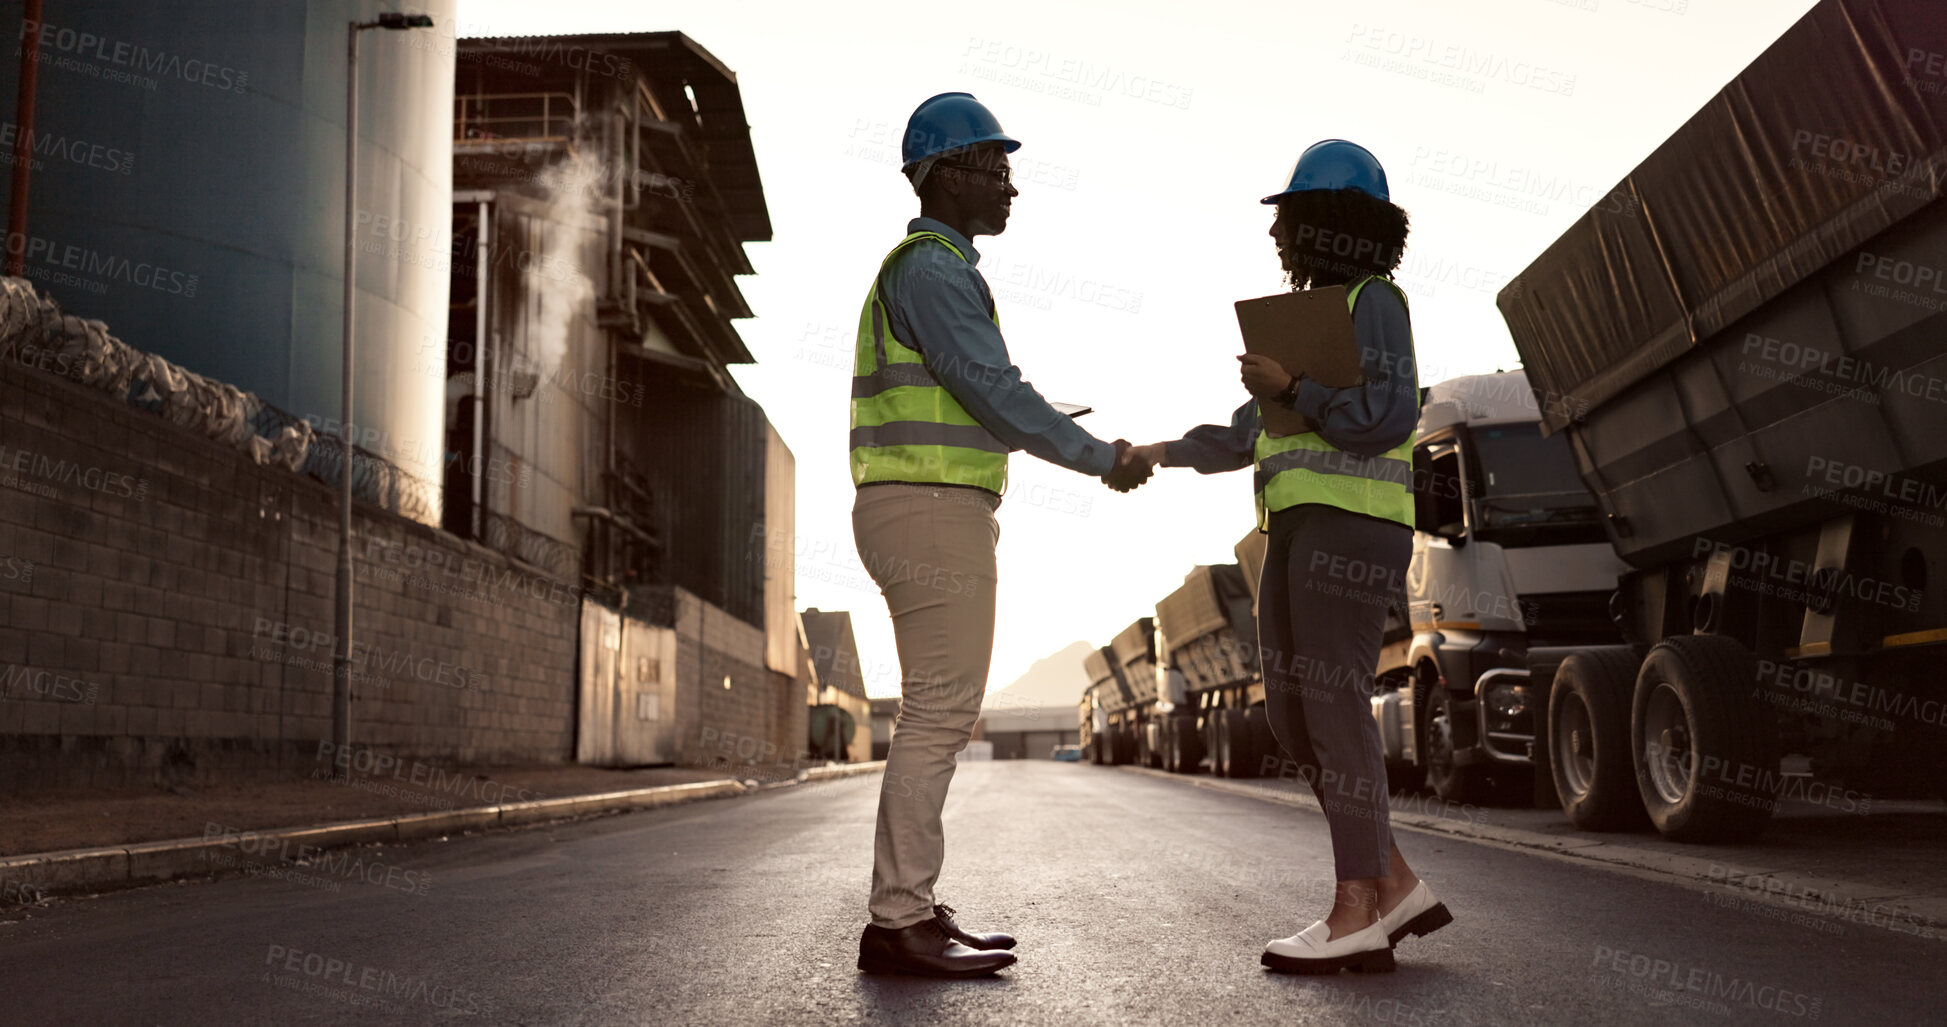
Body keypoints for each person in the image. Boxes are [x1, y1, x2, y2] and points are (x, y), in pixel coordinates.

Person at [1128, 140, 1452, 974]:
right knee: (1292, 714)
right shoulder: (1306, 324)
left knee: (1334, 707)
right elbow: (1246, 435)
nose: (1285, 236)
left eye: (1296, 217)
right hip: (1297, 529)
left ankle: (1354, 906)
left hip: (1351, 526)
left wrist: (1293, 390)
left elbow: (1383, 417)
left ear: (1336, 224)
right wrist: (1155, 450)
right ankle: (1394, 883)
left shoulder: (1376, 301)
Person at [851, 92, 1152, 979]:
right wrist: (1101, 456)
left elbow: (976, 392)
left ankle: (907, 909)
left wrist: (1029, 417)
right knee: (938, 713)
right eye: (993, 168)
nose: (1009, 186)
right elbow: (995, 389)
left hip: (923, 504)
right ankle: (898, 918)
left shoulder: (933, 269)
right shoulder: (934, 268)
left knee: (935, 711)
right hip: (929, 509)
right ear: (945, 175)